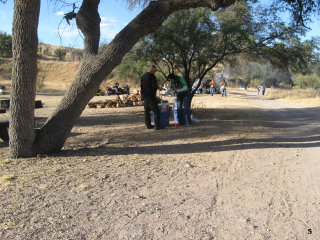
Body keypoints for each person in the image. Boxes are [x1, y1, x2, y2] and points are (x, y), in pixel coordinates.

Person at [140, 65, 164, 130]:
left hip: (145, 96)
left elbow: (141, 86)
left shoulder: (143, 76)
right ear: (152, 69)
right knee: (156, 110)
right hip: (151, 96)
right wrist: (159, 88)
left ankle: (148, 125)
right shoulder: (151, 75)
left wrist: (142, 96)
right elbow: (154, 85)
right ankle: (157, 126)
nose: (155, 71)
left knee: (147, 111)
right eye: (155, 70)